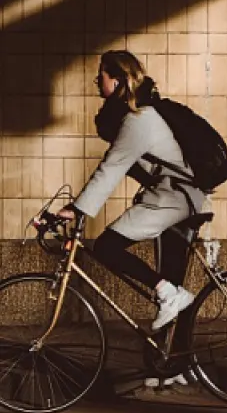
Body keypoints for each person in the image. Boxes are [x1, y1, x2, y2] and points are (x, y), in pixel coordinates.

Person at [57, 49, 205, 331]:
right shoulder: (136, 116)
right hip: (176, 197)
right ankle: (174, 367)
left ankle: (168, 294)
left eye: (100, 75)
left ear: (117, 80)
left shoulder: (139, 120)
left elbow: (111, 168)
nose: (96, 81)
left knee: (107, 247)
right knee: (172, 281)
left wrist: (77, 209)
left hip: (174, 198)